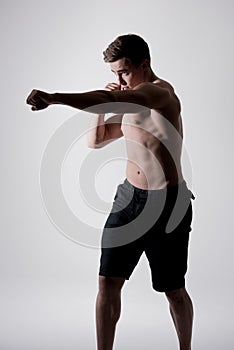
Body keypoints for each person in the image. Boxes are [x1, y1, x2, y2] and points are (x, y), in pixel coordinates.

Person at [26, 34, 195, 350]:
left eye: (124, 72)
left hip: (167, 204)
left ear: (144, 64)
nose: (118, 80)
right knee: (107, 281)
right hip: (129, 199)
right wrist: (104, 108)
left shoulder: (159, 95)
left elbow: (119, 101)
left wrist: (54, 98)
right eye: (114, 73)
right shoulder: (129, 98)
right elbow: (97, 139)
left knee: (173, 289)